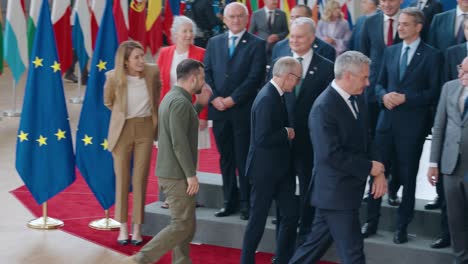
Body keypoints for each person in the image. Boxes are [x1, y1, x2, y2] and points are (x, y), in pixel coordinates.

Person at [290, 51, 387, 264]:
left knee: (312, 248)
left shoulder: (358, 99)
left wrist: (378, 172)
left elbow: (367, 139)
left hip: (342, 192)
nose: (368, 82)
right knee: (353, 254)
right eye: (364, 77)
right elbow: (330, 155)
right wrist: (370, 167)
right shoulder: (323, 107)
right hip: (336, 193)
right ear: (348, 76)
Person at [363, 8, 442, 244]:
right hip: (385, 123)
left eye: (406, 24)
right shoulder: (390, 51)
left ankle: (401, 226)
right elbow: (377, 84)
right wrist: (383, 96)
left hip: (412, 125)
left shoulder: (432, 55)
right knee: (377, 171)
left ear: (419, 27)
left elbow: (433, 91)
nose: (400, 27)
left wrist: (407, 98)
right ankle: (371, 220)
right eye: (400, 23)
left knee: (408, 176)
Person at [123, 59, 212, 264]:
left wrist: (199, 104)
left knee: (186, 223)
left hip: (172, 170)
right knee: (181, 224)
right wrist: (190, 175)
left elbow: (183, 123)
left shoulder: (175, 98)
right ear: (193, 78)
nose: (204, 82)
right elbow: (179, 143)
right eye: (202, 78)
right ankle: (140, 259)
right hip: (176, 173)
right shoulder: (179, 102)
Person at [272, 17, 334, 245]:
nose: (294, 41)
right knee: (282, 183)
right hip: (281, 137)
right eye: (292, 36)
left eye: (299, 37)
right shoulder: (279, 56)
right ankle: (283, 229)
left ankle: (306, 229)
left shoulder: (326, 66)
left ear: (311, 38)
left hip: (309, 138)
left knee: (308, 182)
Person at [204, 2, 266, 220]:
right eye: (232, 16)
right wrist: (215, 98)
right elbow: (207, 73)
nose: (236, 20)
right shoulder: (214, 42)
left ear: (247, 19)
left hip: (242, 110)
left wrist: (232, 100)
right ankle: (228, 201)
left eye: (240, 16)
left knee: (243, 158)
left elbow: (255, 77)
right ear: (224, 19)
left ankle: (246, 203)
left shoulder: (257, 44)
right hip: (218, 111)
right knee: (225, 158)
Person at [241, 56, 301, 264]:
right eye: (297, 78)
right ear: (287, 76)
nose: (297, 82)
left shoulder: (277, 94)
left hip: (280, 170)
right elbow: (261, 138)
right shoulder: (267, 98)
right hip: (264, 171)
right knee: (257, 221)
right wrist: (286, 132)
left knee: (291, 214)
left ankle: (282, 259)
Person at [103, 40, 161, 246]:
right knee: (122, 179)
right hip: (123, 130)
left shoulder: (153, 72)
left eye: (142, 56)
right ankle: (123, 227)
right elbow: (108, 102)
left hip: (145, 128)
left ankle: (137, 227)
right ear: (125, 61)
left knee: (140, 179)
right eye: (136, 57)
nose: (141, 60)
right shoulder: (113, 77)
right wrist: (123, 117)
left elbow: (157, 96)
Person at [156, 16, 210, 209]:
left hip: (192, 109)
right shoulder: (165, 52)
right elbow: (160, 84)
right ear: (174, 34)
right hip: (170, 108)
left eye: (190, 31)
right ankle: (171, 195)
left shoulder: (201, 53)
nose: (188, 35)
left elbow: (204, 87)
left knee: (189, 152)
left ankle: (189, 194)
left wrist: (201, 115)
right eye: (184, 31)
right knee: (169, 152)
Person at [359, 0, 403, 215]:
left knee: (394, 142)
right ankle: (372, 185)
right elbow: (362, 55)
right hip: (371, 92)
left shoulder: (407, 21)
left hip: (397, 93)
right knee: (371, 140)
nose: (387, 4)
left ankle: (393, 187)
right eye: (383, 0)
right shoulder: (370, 23)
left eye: (391, 0)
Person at [427, 56, 468, 264]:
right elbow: (440, 125)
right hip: (450, 165)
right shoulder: (449, 87)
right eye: (461, 69)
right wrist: (434, 163)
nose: (461, 75)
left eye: (467, 72)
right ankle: (460, 259)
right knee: (455, 218)